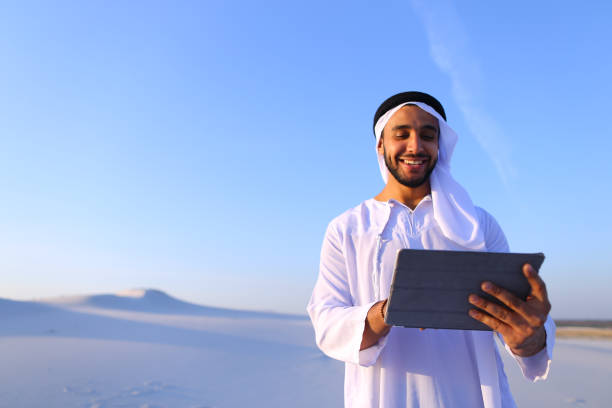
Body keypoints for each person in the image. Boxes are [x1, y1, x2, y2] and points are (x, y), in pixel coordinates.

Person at [307, 91, 554, 408]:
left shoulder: (478, 224)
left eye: (428, 135)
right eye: (402, 134)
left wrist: (530, 337)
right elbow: (327, 324)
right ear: (381, 145)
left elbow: (521, 325)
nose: (415, 146)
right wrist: (388, 311)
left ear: (441, 146)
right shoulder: (347, 229)